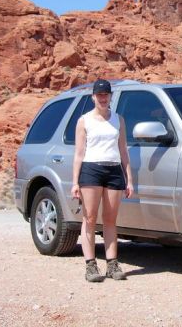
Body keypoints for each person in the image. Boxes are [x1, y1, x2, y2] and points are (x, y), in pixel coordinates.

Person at [71, 79, 134, 282]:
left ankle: (112, 263)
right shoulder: (84, 121)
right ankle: (90, 265)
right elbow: (79, 153)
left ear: (110, 96)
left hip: (114, 170)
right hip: (91, 170)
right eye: (99, 95)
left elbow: (123, 151)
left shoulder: (118, 120)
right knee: (89, 218)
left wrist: (129, 179)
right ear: (93, 97)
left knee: (110, 219)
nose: (103, 98)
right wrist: (75, 182)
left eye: (106, 94)